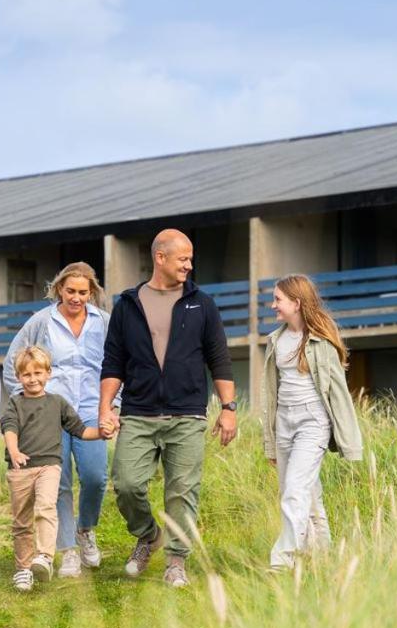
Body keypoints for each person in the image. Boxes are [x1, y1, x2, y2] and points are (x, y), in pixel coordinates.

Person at [99, 228, 238, 588]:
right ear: (160, 257)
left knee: (182, 490)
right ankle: (148, 535)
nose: (189, 266)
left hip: (187, 413)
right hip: (138, 412)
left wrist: (229, 407)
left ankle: (176, 560)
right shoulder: (127, 304)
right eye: (183, 259)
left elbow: (219, 358)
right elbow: (113, 363)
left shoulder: (201, 303)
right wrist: (105, 409)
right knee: (126, 483)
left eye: (191, 259)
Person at [2, 262, 112, 578]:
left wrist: (113, 406)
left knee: (95, 477)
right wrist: (28, 404)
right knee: (58, 482)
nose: (76, 298)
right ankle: (67, 550)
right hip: (51, 414)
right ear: (59, 289)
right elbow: (13, 362)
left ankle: (85, 530)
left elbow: (119, 365)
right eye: (70, 291)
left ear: (92, 293)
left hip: (92, 409)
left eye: (83, 292)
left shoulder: (104, 323)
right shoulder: (41, 322)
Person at [260, 274, 363, 570]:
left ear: (297, 302)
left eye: (278, 299)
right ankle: (322, 559)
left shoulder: (321, 342)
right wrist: (270, 441)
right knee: (306, 494)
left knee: (295, 490)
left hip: (312, 422)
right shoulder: (276, 340)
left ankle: (283, 562)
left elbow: (339, 393)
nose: (273, 305)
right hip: (284, 422)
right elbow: (271, 394)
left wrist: (348, 441)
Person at [0, 345, 108, 591]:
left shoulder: (57, 403)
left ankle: (45, 557)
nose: (33, 379)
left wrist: (101, 432)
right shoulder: (15, 404)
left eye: (38, 373)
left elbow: (80, 430)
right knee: (21, 521)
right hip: (20, 469)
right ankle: (23, 569)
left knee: (46, 507)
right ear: (18, 378)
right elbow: (9, 428)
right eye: (27, 375)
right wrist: (14, 451)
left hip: (49, 467)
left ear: (48, 373)